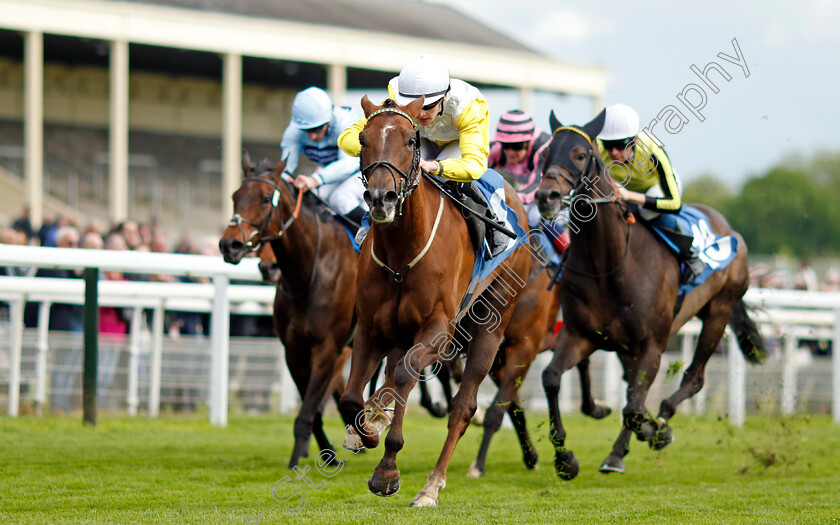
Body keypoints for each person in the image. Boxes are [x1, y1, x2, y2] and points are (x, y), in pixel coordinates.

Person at [338, 54, 508, 256]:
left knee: (452, 177)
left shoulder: (470, 107)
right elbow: (346, 138)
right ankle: (369, 223)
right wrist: (384, 149)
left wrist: (435, 166)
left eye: (427, 107)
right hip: (417, 141)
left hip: (456, 143)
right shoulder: (396, 99)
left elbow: (474, 166)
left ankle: (495, 222)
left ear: (444, 98)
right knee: (393, 173)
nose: (420, 114)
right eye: (414, 107)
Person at [598, 103, 702, 277]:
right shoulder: (600, 150)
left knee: (647, 214)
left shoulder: (653, 151)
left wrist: (630, 196)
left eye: (620, 145)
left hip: (656, 189)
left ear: (635, 141)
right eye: (609, 145)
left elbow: (674, 203)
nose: (614, 152)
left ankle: (691, 254)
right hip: (623, 188)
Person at [280, 86, 367, 226]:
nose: (313, 136)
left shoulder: (344, 122)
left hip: (361, 171)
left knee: (341, 198)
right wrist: (284, 179)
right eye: (307, 131)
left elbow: (349, 163)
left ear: (329, 120)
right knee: (312, 199)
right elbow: (286, 167)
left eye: (317, 129)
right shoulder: (294, 130)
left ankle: (375, 236)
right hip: (332, 175)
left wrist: (316, 179)